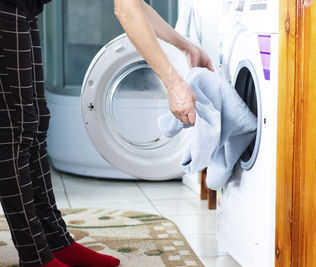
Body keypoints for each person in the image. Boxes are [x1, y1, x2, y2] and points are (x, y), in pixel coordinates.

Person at [0, 0, 212, 266]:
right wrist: (173, 84)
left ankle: (56, 242)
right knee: (15, 132)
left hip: (23, 8)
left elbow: (135, 5)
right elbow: (126, 9)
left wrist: (185, 45)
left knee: (35, 123)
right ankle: (35, 258)